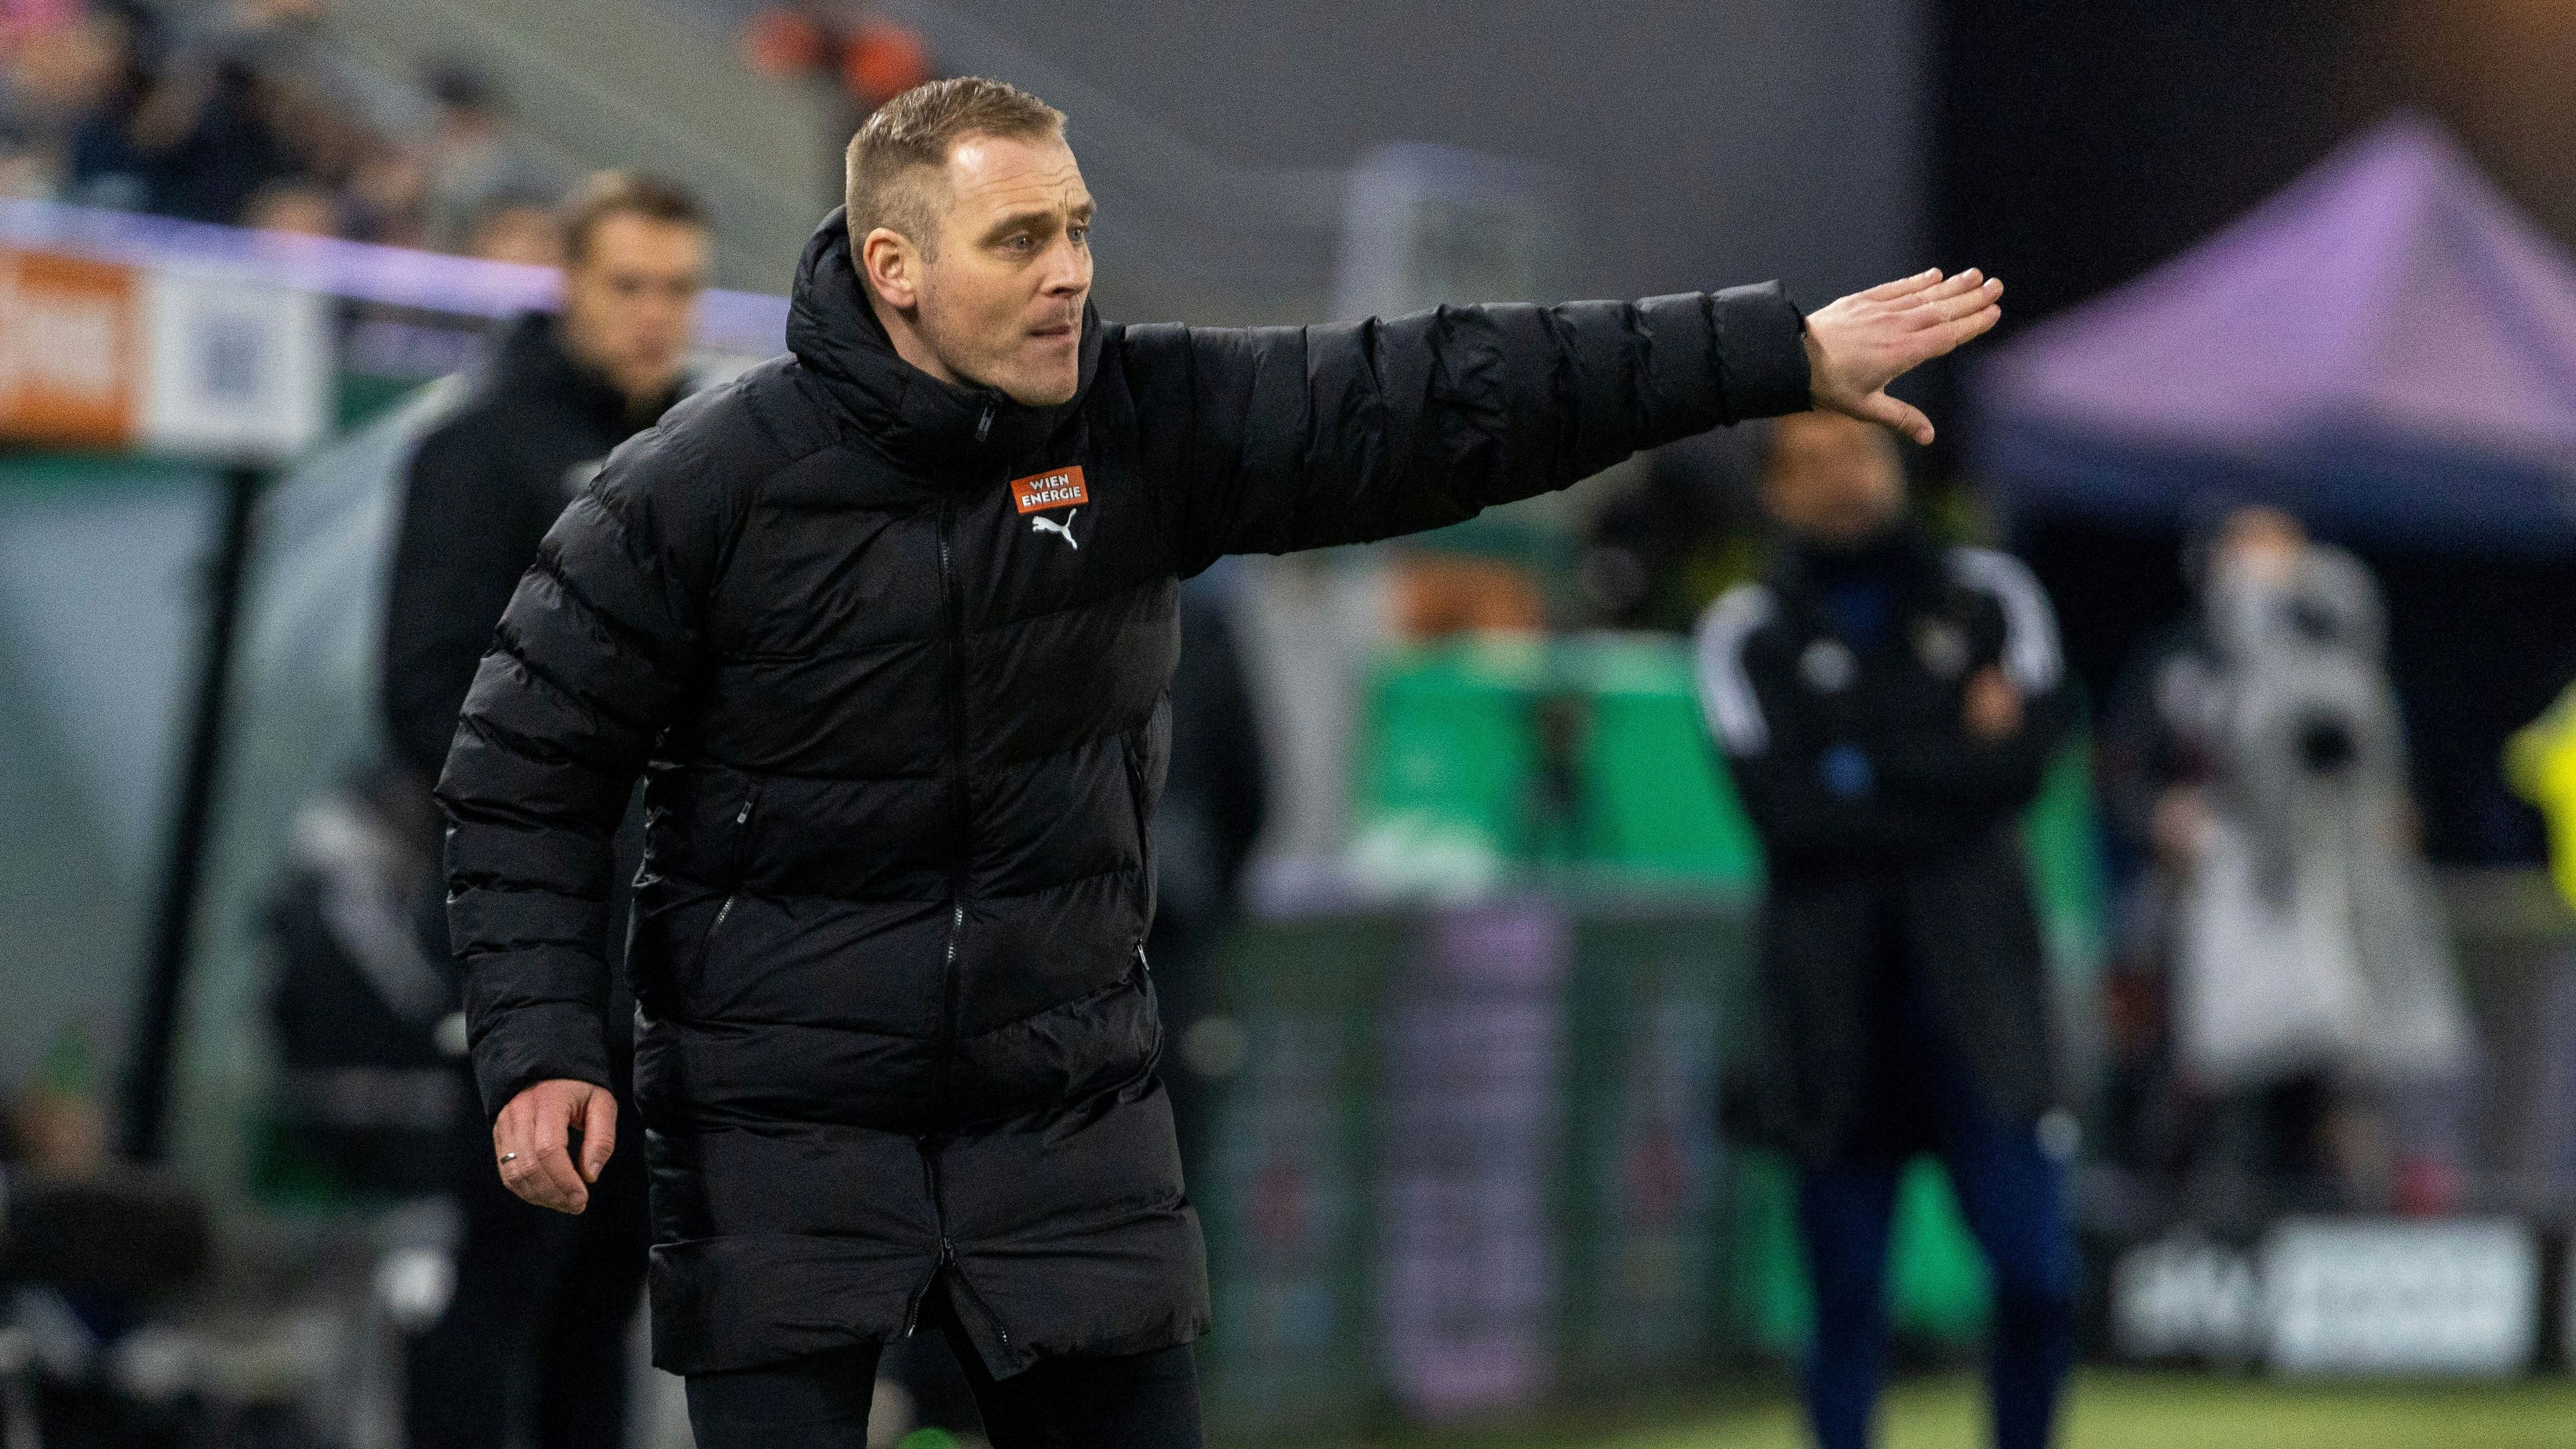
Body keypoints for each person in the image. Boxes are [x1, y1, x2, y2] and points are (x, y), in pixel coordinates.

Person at [437, 76, 2002, 1448]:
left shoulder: (1142, 423)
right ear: (892, 268)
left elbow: (1448, 392)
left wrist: (1765, 355)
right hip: (780, 1128)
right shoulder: (693, 491)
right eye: (1019, 241)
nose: (1069, 276)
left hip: (1064, 1126)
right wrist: (542, 1041)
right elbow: (523, 769)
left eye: (1077, 229)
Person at [380, 170, 709, 1449]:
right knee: (503, 1283)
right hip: (530, 948)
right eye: (628, 285)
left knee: (606, 1296)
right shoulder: (477, 455)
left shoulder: (703, 463)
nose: (652, 316)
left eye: (677, 289)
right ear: (569, 283)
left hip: (663, 958)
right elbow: (421, 698)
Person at [1694, 411, 2074, 1449]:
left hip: (1984, 1005)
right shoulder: (1746, 630)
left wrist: (1860, 758)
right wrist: (1947, 745)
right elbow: (1787, 814)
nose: (1840, 480)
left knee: (2039, 1276)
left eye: (1855, 453)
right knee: (1845, 1300)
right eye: (1808, 463)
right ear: (1773, 490)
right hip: (1831, 1010)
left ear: (1897, 461)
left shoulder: (1991, 594)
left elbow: (2024, 766)